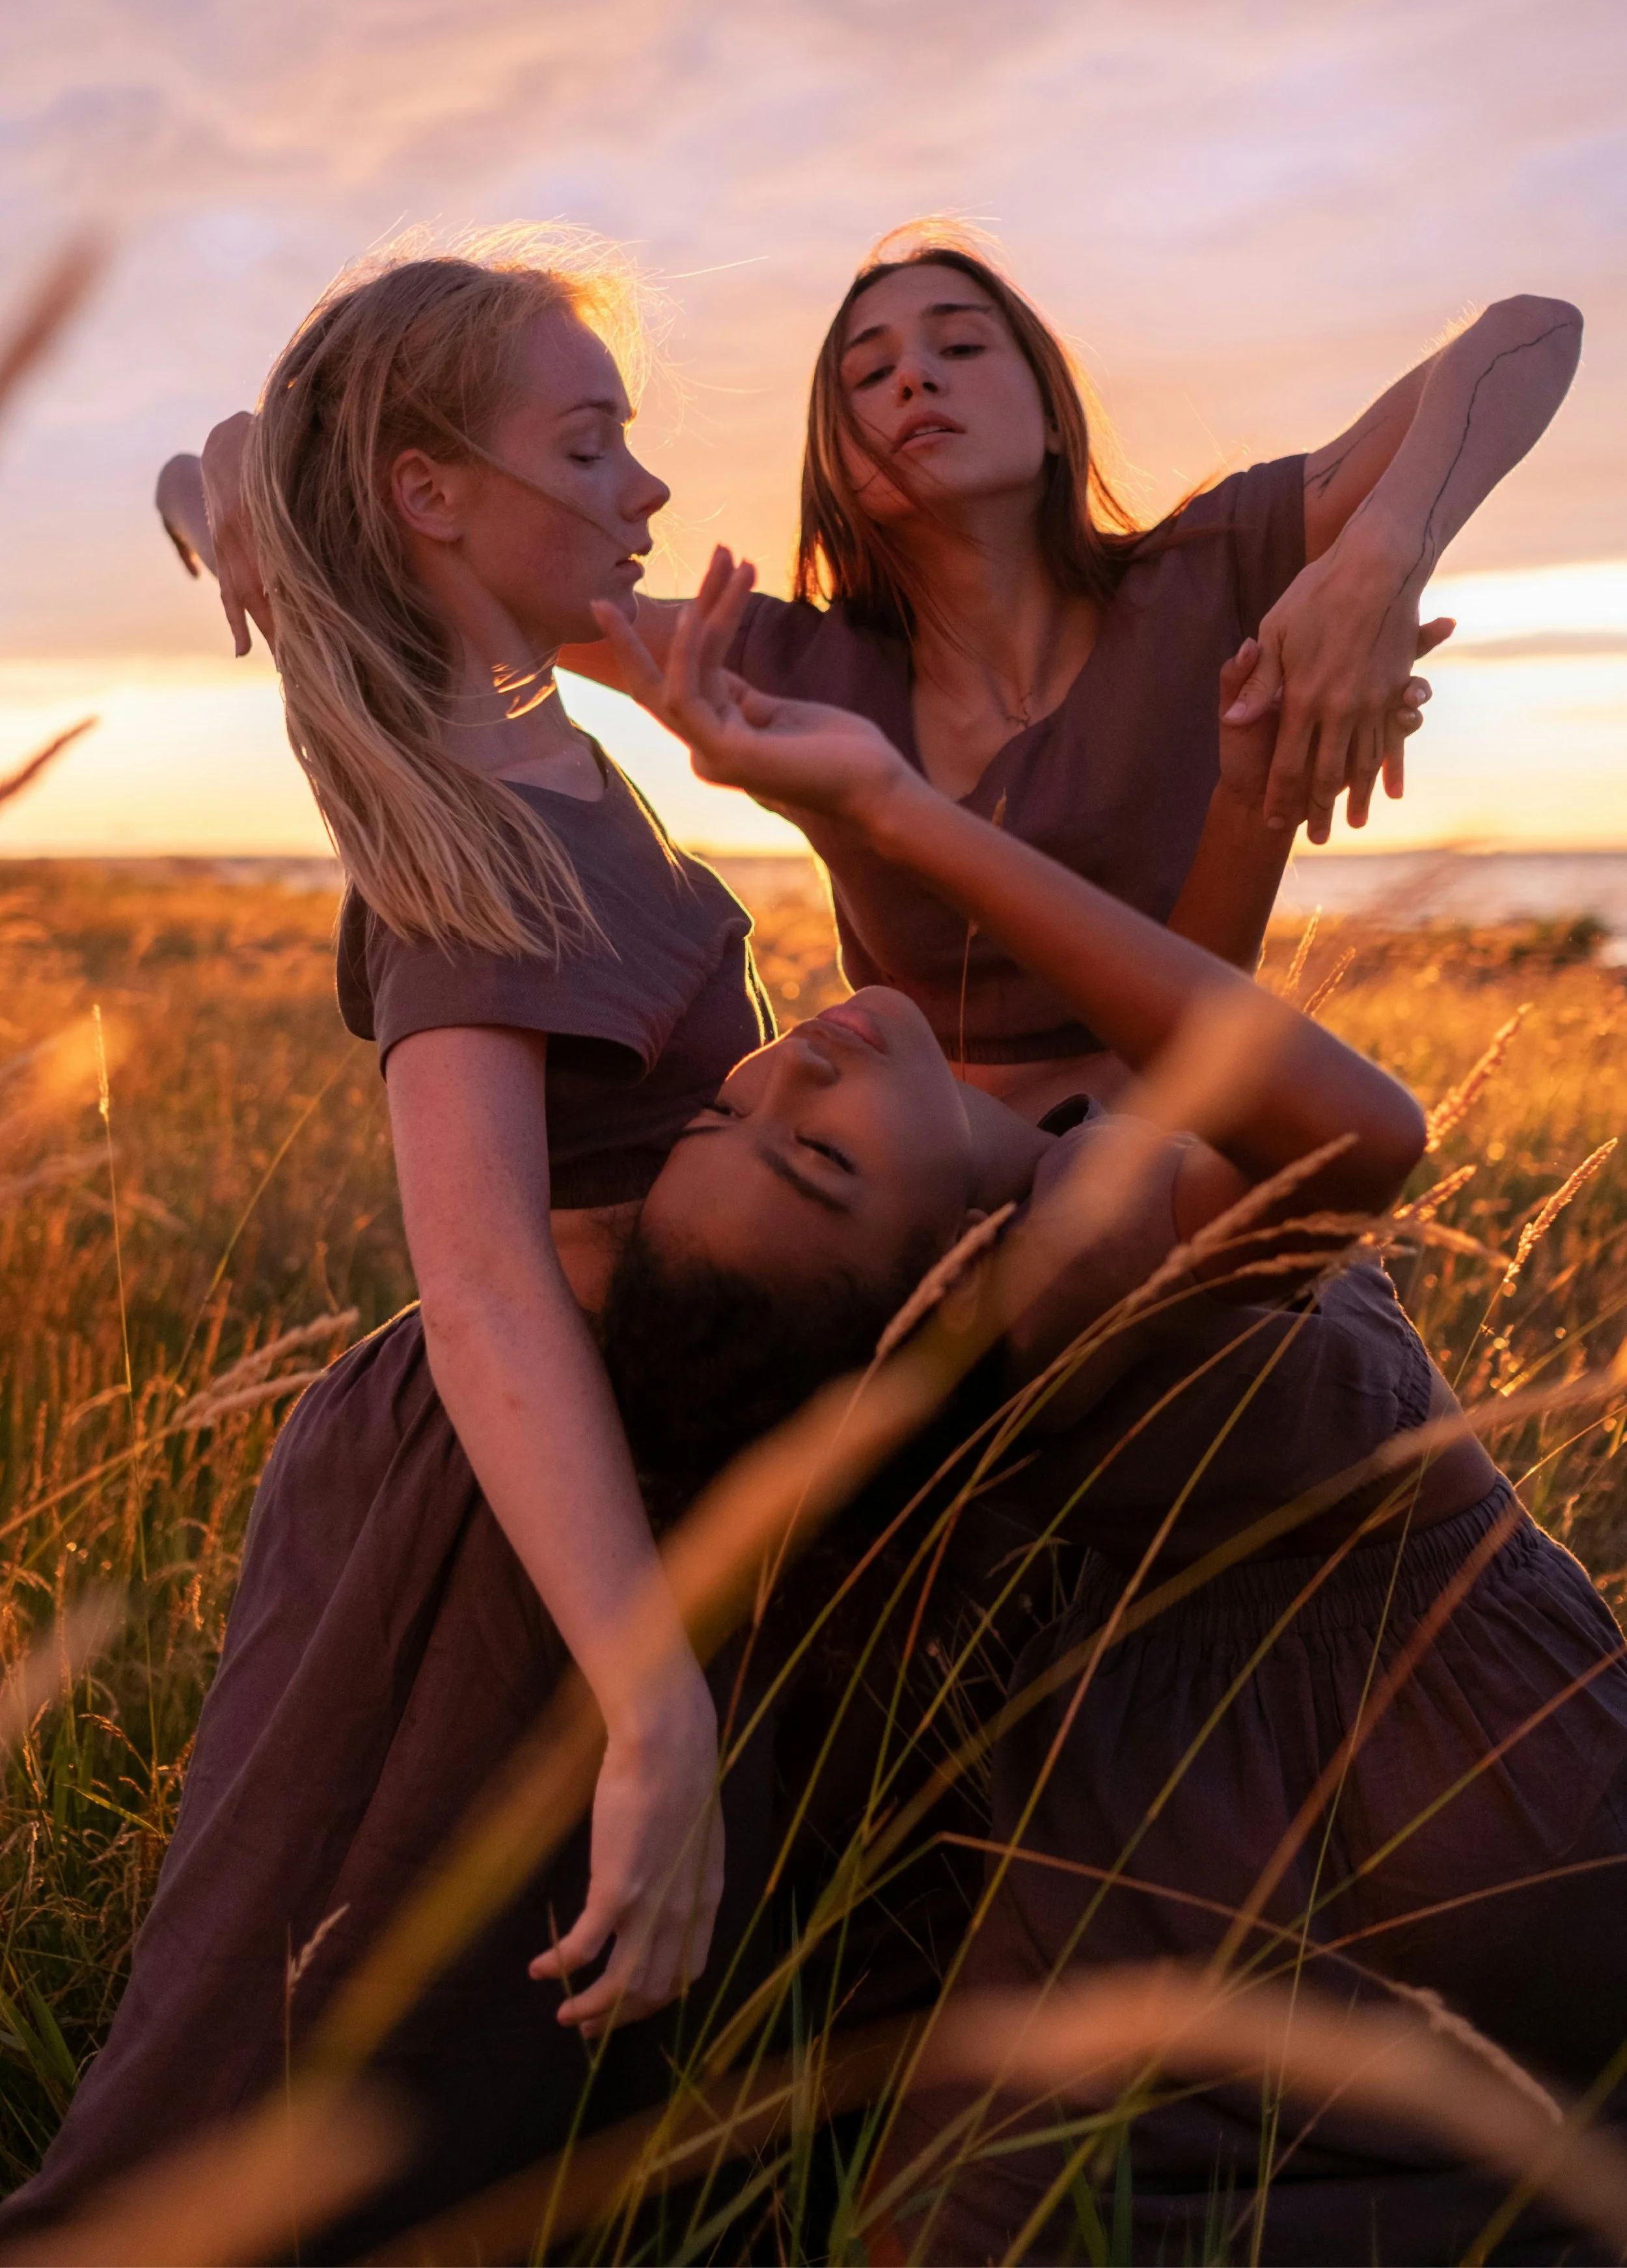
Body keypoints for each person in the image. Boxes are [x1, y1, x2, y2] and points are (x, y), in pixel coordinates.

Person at [581, 597, 1627, 2264]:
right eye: (822, 1160)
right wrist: (888, 812)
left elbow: (1173, 1070)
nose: (792, 1072)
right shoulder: (1061, 1272)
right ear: (933, 1275)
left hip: (1232, 1795)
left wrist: (1244, 799)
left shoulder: (1058, 1195)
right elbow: (1358, 1134)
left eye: (735, 1105)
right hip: (1451, 1800)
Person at [0, 230, 790, 2250]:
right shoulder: (474, 829)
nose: (645, 486)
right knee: (299, 2107)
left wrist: (239, 495)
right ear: (433, 493)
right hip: (509, 1540)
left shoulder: (502, 720)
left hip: (584, 1493)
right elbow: (485, 1281)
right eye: (590, 444)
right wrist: (651, 1697)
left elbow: (251, 462)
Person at [164, 230, 1582, 1115]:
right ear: (836, 461)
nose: (913, 379)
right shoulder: (781, 663)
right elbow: (435, 542)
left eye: (959, 346)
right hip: (922, 1213)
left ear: (1050, 410)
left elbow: (1526, 331)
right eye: (866, 375)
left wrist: (1378, 556)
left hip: (1183, 1159)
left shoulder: (1204, 572)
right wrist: (232, 467)